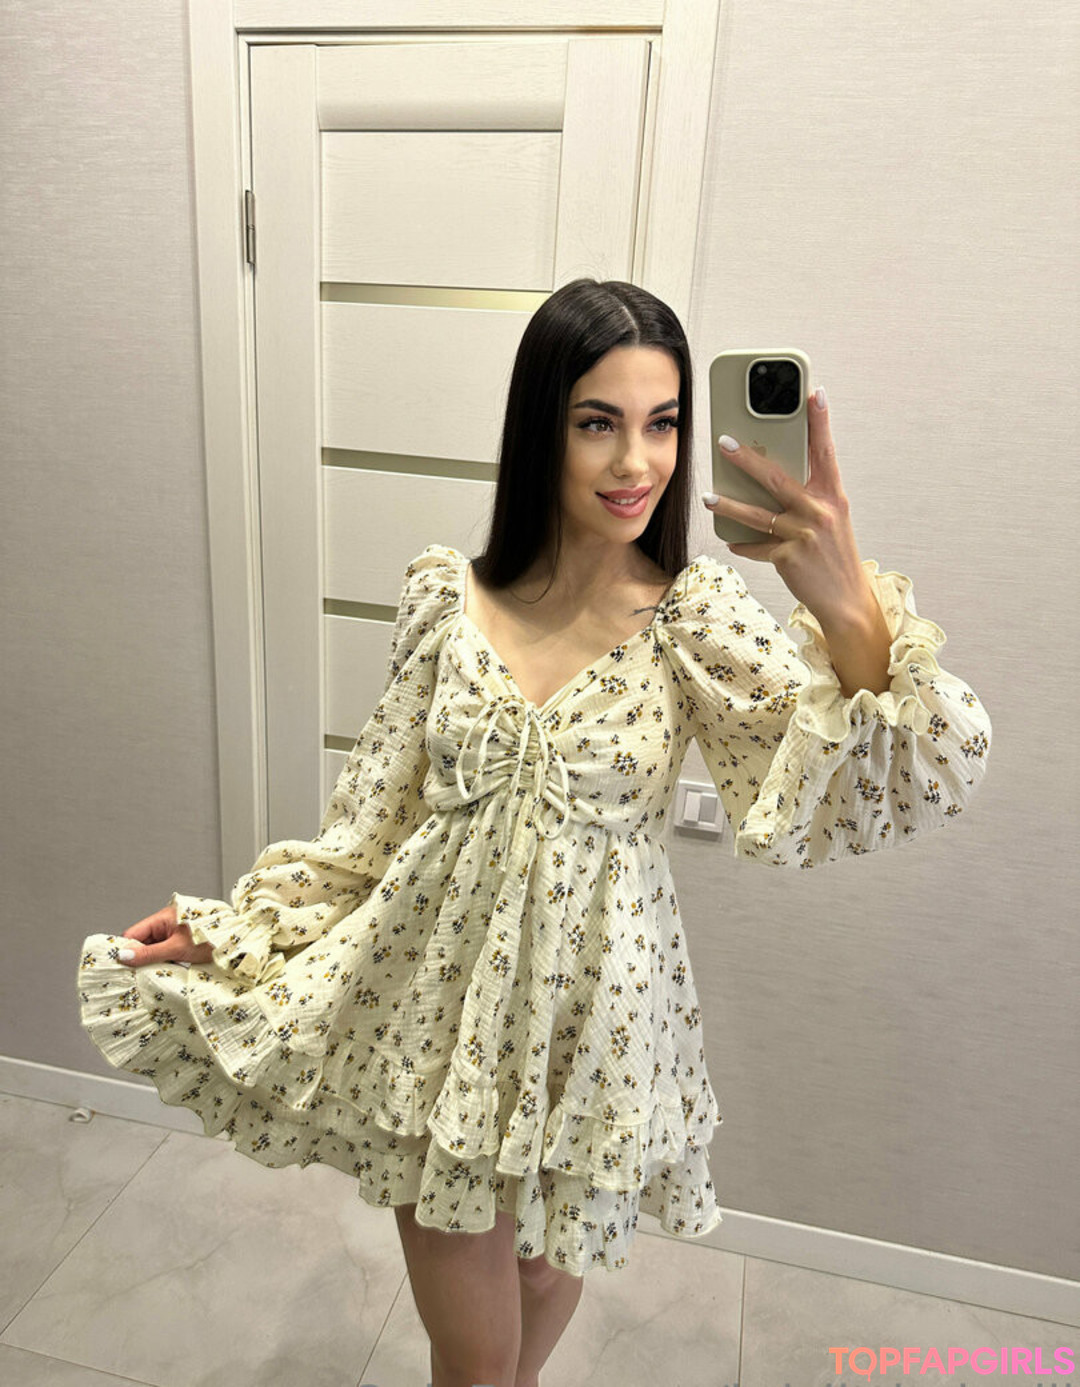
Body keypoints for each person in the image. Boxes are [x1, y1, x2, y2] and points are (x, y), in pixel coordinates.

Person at [78, 278, 992, 1387]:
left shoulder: (692, 619)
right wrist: (235, 930)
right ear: (539, 427)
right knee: (470, 1351)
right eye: (597, 422)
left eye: (663, 423)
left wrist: (840, 590)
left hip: (594, 1025)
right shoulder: (446, 602)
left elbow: (894, 775)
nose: (636, 463)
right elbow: (372, 830)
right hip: (440, 1016)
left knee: (542, 1284)